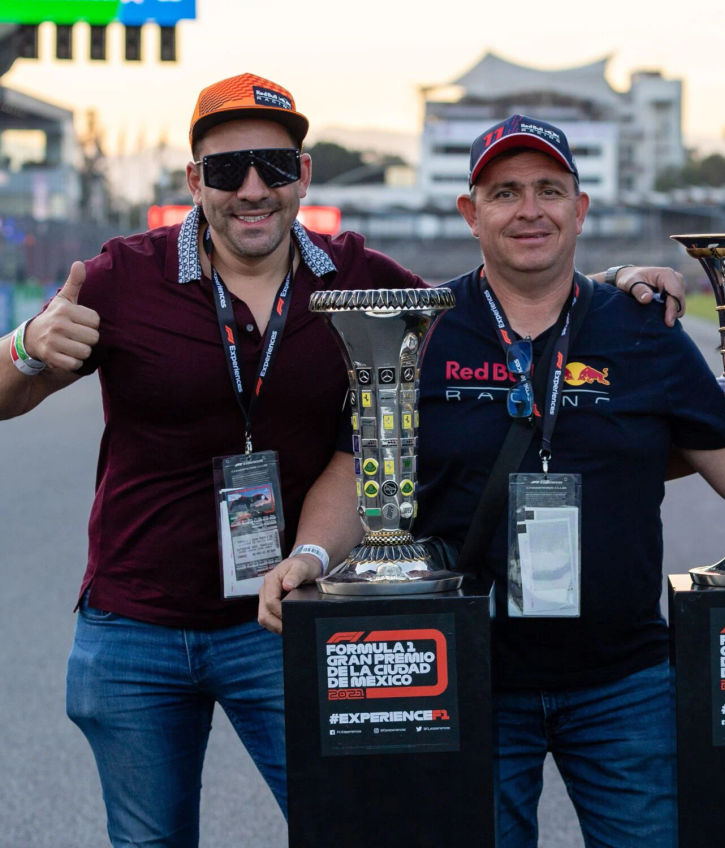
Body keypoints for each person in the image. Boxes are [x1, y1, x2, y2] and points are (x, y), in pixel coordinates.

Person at [0, 72, 677, 848]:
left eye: (273, 167)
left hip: (283, 616)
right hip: (135, 625)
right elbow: (9, 394)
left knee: (348, 827)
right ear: (194, 181)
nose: (252, 189)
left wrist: (609, 286)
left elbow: (493, 307)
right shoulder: (122, 276)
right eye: (227, 169)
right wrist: (25, 347)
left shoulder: (359, 277)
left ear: (303, 174)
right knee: (149, 841)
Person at [259, 114, 725, 847]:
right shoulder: (421, 328)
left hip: (625, 681)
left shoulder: (646, 327)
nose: (529, 210)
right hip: (468, 675)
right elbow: (360, 464)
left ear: (580, 209)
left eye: (549, 189)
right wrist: (311, 556)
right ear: (470, 212)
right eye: (505, 192)